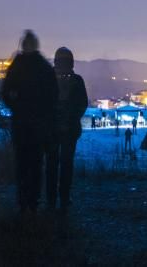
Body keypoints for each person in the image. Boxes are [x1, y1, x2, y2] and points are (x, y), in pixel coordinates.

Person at [0, 30, 57, 212]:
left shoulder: (17, 65)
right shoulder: (44, 67)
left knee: (23, 163)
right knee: (35, 164)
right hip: (38, 125)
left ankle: (24, 200)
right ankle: (32, 201)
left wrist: (15, 104)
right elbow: (53, 96)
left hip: (22, 123)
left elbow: (5, 92)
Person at [46, 47, 88, 210]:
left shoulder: (48, 79)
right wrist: (71, 118)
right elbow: (82, 104)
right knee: (65, 165)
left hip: (53, 130)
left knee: (51, 165)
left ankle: (51, 199)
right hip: (70, 130)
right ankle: (64, 197)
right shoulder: (77, 80)